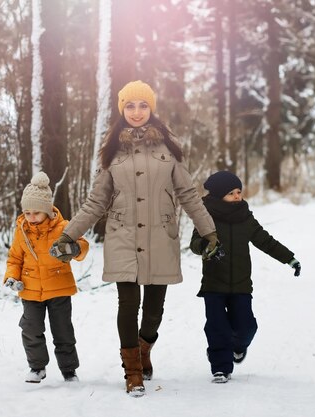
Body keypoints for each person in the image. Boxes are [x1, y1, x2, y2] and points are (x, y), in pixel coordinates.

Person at [50, 80, 219, 396]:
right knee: (128, 303)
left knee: (154, 309)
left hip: (160, 235)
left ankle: (144, 347)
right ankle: (132, 372)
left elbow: (188, 194)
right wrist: (67, 234)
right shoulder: (112, 151)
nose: (137, 111)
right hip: (122, 236)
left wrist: (208, 230)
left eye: (143, 105)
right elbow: (96, 201)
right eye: (130, 105)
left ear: (151, 109)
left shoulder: (169, 149)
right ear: (122, 110)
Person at [189, 171, 301, 383]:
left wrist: (290, 259)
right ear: (220, 195)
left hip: (241, 283)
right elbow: (195, 243)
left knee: (247, 326)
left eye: (239, 192)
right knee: (216, 326)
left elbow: (265, 241)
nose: (237, 196)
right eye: (231, 193)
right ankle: (220, 368)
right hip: (214, 282)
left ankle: (238, 347)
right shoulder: (206, 216)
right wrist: (205, 245)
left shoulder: (244, 216)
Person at [3, 172, 90, 384]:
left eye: (36, 212)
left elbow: (83, 246)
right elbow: (14, 258)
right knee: (31, 328)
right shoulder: (21, 231)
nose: (31, 217)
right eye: (27, 212)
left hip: (58, 288)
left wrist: (74, 248)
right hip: (30, 290)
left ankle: (69, 370)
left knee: (63, 331)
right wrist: (11, 277)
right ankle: (37, 367)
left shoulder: (63, 227)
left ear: (47, 210)